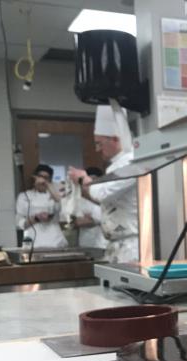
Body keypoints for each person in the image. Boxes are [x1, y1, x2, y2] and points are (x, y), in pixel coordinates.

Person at [69, 105, 138, 263]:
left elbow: (102, 193)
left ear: (114, 139)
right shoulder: (116, 165)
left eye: (99, 143)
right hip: (116, 243)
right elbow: (102, 199)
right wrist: (81, 186)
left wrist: (83, 179)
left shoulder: (130, 162)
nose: (97, 149)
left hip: (132, 245)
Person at [15, 164, 68, 249]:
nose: (43, 181)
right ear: (34, 177)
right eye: (40, 177)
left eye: (46, 178)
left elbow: (60, 207)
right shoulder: (24, 196)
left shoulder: (54, 195)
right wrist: (36, 218)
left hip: (55, 240)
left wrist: (49, 186)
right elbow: (19, 223)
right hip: (33, 241)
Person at [73, 167, 107, 250]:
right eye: (89, 180)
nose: (91, 182)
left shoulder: (105, 197)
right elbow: (77, 222)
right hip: (84, 243)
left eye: (95, 179)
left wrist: (92, 219)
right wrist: (94, 220)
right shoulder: (80, 199)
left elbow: (103, 219)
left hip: (102, 243)